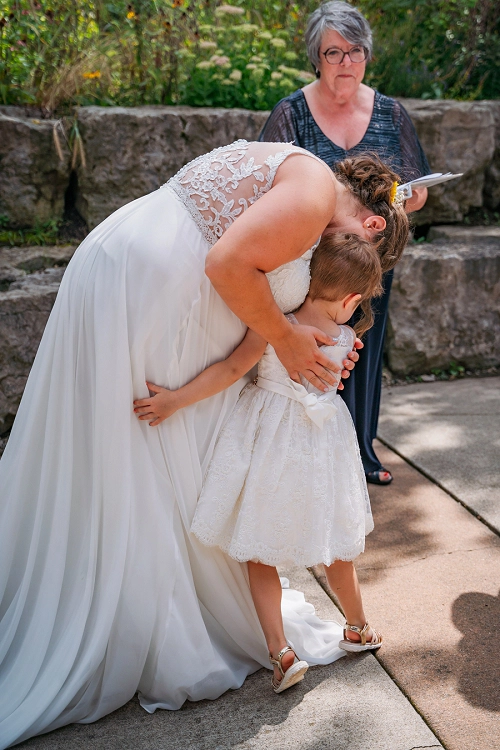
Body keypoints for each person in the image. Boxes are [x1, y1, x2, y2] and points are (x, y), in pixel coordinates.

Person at [0, 140, 408, 748]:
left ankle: (109, 598)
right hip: (151, 286)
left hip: (125, 261)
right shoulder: (317, 191)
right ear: (372, 226)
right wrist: (289, 339)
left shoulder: (300, 170)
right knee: (143, 451)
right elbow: (225, 264)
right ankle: (136, 622)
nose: (338, 254)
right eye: (361, 245)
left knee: (123, 446)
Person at [135, 233, 384, 693]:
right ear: (351, 299)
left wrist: (175, 401)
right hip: (323, 446)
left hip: (269, 440)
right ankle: (358, 626)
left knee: (257, 550)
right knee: (337, 546)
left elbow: (231, 370)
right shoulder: (347, 336)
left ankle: (280, 652)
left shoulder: (276, 325)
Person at [259, 0, 431, 485]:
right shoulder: (291, 112)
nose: (346, 64)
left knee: (364, 351)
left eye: (355, 52)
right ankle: (307, 461)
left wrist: (408, 198)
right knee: (314, 349)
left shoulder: (392, 113)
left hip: (374, 260)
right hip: (313, 262)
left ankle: (362, 453)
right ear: (317, 57)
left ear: (367, 56)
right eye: (334, 53)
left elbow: (414, 189)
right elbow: (271, 182)